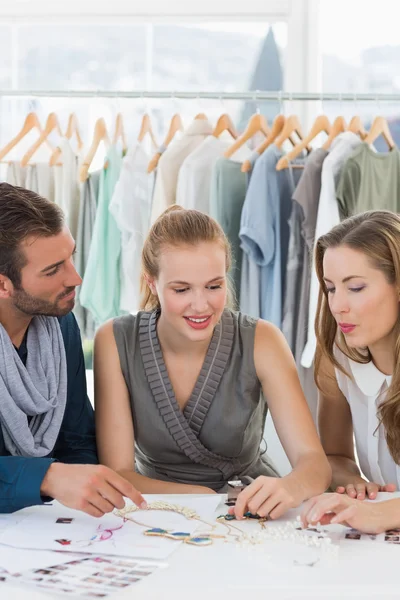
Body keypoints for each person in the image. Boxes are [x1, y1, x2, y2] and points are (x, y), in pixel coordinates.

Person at [94, 205, 330, 520]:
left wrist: (291, 486)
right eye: (181, 289)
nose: (201, 305)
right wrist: (204, 498)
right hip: (153, 512)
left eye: (214, 286)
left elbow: (314, 463)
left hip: (248, 511)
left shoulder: (263, 340)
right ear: (151, 283)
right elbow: (118, 473)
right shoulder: (114, 340)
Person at [0, 183, 145, 515]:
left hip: (43, 528)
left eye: (70, 257)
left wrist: (91, 487)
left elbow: (76, 437)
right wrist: (47, 478)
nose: (76, 278)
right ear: (2, 284)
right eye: (53, 270)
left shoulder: (59, 327)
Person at [303, 210, 400, 532]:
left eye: (355, 288)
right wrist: (350, 481)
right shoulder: (337, 359)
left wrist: (380, 515)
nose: (337, 305)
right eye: (331, 288)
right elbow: (335, 454)